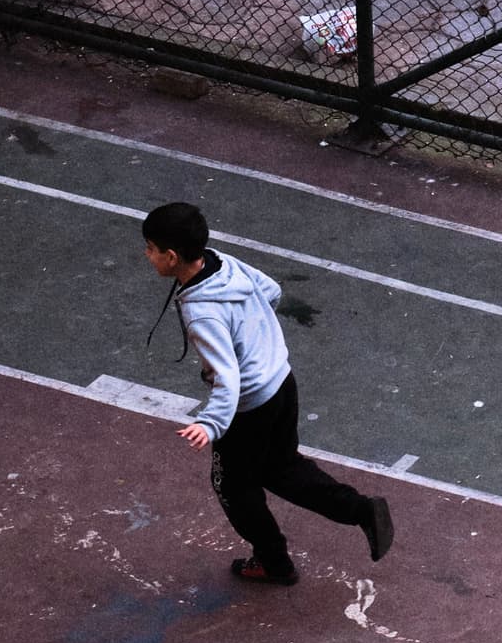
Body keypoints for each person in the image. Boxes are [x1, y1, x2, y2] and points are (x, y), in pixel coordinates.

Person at [141, 201, 392, 586]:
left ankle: (274, 562)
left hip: (248, 408)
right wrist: (255, 335)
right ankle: (360, 509)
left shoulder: (202, 313)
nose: (148, 255)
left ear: (171, 256)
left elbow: (227, 377)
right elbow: (270, 291)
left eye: (151, 248)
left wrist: (210, 424)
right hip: (281, 381)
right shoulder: (220, 261)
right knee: (280, 466)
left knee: (233, 488)